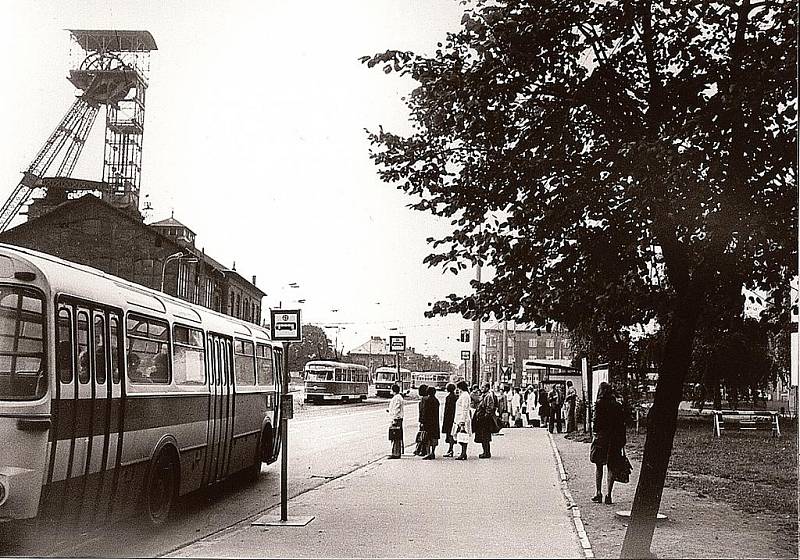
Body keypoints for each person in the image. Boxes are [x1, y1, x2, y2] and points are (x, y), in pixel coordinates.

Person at [590, 382, 626, 504]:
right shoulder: (617, 405)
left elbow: (595, 423)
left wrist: (595, 433)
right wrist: (622, 440)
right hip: (614, 439)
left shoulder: (599, 405)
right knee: (611, 466)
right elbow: (622, 424)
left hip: (601, 438)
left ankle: (598, 493)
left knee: (599, 465)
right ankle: (609, 495)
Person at [473, 382, 498, 458]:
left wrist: (485, 416)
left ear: (487, 388)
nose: (481, 389)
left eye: (483, 387)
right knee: (483, 436)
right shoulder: (483, 396)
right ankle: (485, 451)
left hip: (485, 420)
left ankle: (487, 452)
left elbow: (489, 407)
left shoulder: (488, 396)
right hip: (481, 419)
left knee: (485, 437)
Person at [452, 380, 472, 460]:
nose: (458, 390)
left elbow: (465, 408)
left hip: (463, 419)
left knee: (463, 436)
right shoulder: (464, 395)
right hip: (460, 418)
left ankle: (463, 453)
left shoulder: (465, 396)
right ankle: (463, 453)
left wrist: (462, 421)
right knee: (461, 436)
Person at [422, 386, 440, 459]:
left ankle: (428, 452)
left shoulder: (427, 400)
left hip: (428, 421)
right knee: (434, 437)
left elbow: (424, 412)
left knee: (427, 437)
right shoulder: (436, 400)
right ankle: (433, 452)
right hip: (435, 421)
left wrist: (422, 421)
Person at [387, 384, 404, 459]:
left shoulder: (397, 398)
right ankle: (395, 452)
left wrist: (394, 419)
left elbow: (397, 409)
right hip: (397, 418)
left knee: (395, 437)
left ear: (393, 390)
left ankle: (396, 453)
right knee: (396, 436)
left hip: (396, 419)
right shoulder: (398, 397)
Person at [441, 382, 457, 457]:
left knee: (450, 434)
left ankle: (450, 450)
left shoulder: (449, 397)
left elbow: (447, 409)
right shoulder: (455, 396)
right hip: (454, 417)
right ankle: (450, 449)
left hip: (449, 418)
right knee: (452, 433)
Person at [413, 384, 429, 456]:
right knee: (424, 435)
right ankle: (421, 449)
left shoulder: (423, 399)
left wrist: (421, 421)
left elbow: (423, 411)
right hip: (427, 420)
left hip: (424, 420)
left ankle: (421, 449)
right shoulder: (427, 398)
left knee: (422, 435)